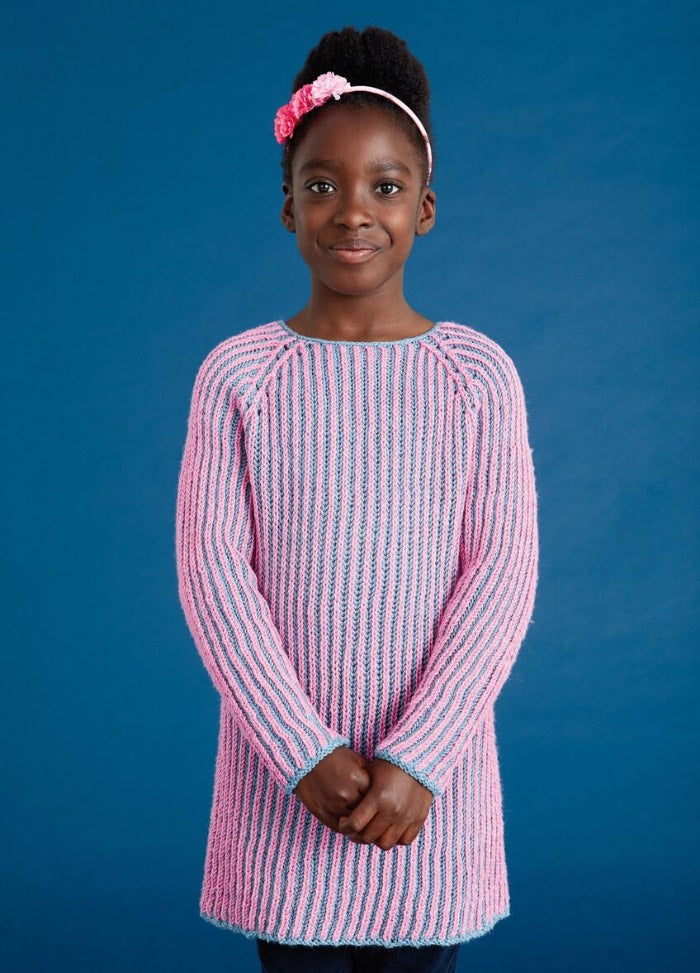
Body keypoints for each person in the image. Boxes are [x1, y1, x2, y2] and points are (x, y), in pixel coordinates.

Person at [174, 24, 539, 973]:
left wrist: (420, 755)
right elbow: (214, 577)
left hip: (431, 797)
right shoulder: (239, 378)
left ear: (425, 207)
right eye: (322, 184)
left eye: (385, 185)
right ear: (286, 206)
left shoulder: (476, 377)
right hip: (287, 790)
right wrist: (302, 750)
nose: (351, 212)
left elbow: (500, 574)